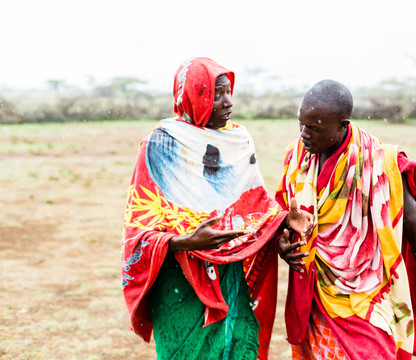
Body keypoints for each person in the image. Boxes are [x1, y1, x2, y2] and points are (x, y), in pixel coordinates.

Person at [121, 57, 312, 360]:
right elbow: (137, 233)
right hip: (178, 280)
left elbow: (256, 209)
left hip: (228, 276)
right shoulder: (159, 147)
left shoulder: (238, 140)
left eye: (229, 92)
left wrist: (283, 226)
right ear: (194, 97)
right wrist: (186, 242)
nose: (229, 102)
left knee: (236, 346)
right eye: (217, 94)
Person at [275, 79, 416, 360]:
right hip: (315, 293)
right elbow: (284, 218)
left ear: (342, 125)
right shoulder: (296, 156)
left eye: (315, 128)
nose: (304, 134)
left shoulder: (380, 163)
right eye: (301, 125)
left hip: (368, 292)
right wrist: (282, 246)